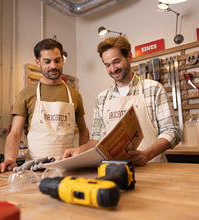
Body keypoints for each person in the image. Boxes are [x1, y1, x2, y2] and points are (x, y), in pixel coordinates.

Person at [63, 36, 181, 166]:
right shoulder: (102, 98)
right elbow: (97, 139)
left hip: (153, 167)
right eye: (107, 65)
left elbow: (172, 131)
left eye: (116, 62)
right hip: (116, 170)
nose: (113, 69)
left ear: (129, 57)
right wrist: (80, 150)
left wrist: (147, 155)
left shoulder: (153, 89)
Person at [0, 38, 89, 173]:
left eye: (57, 60)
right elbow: (15, 133)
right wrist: (10, 159)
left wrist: (82, 157)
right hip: (34, 168)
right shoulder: (26, 94)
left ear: (62, 60)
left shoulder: (74, 95)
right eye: (47, 62)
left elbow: (83, 130)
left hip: (67, 167)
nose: (53, 66)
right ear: (38, 63)